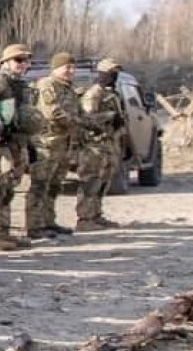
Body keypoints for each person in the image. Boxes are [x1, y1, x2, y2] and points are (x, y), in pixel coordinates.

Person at [0, 44, 36, 250]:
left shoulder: (20, 85)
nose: (23, 65)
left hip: (16, 142)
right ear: (5, 62)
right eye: (18, 60)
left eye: (26, 61)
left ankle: (3, 231)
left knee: (9, 188)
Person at [26, 53, 80, 240]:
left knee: (54, 185)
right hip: (46, 144)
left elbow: (78, 111)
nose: (71, 71)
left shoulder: (69, 89)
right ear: (56, 68)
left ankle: (49, 221)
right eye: (67, 67)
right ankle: (34, 225)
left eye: (73, 68)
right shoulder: (47, 85)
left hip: (63, 144)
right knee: (40, 184)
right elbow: (53, 112)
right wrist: (75, 122)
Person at [75, 58, 125, 230]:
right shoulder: (94, 93)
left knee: (104, 180)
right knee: (91, 180)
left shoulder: (111, 93)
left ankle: (96, 214)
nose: (114, 76)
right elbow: (87, 118)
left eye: (116, 73)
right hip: (94, 144)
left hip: (108, 142)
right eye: (111, 72)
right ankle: (84, 218)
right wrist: (109, 116)